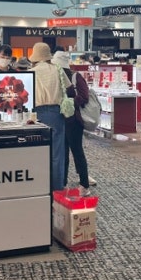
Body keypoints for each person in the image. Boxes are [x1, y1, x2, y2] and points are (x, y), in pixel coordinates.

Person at [52, 50, 93, 196]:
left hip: (74, 121)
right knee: (62, 153)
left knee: (77, 152)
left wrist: (68, 102)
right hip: (61, 120)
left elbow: (84, 97)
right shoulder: (55, 77)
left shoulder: (76, 77)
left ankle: (84, 184)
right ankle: (62, 183)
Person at [30, 42, 69, 191]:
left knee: (38, 150)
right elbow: (69, 88)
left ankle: (40, 186)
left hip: (36, 113)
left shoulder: (31, 72)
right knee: (57, 152)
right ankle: (57, 187)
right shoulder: (57, 69)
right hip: (55, 112)